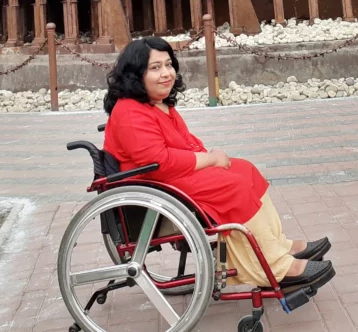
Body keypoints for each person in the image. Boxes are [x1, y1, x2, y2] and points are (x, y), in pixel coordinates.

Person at [102, 37, 335, 290]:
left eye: (169, 65)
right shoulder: (129, 111)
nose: (166, 73)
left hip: (167, 177)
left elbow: (182, 144)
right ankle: (275, 267)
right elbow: (157, 161)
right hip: (152, 187)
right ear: (136, 74)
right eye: (155, 67)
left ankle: (277, 245)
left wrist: (208, 158)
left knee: (245, 170)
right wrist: (210, 159)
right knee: (233, 187)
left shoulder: (157, 105)